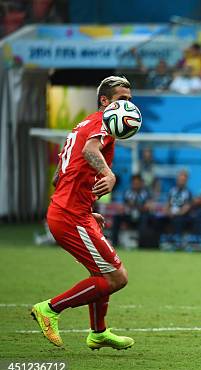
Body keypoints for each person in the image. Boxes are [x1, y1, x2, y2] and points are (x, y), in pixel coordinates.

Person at [31, 76, 134, 349]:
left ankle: (98, 333)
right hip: (70, 216)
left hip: (72, 212)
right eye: (122, 100)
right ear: (105, 101)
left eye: (130, 101)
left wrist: (86, 208)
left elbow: (58, 176)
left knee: (101, 272)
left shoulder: (83, 125)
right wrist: (108, 174)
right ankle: (50, 309)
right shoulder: (102, 124)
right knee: (116, 277)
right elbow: (90, 151)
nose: (128, 106)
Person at [111, 174, 151, 247]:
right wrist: (124, 208)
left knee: (145, 218)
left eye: (137, 183)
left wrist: (136, 206)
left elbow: (147, 206)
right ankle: (114, 243)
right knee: (117, 217)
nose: (135, 185)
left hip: (141, 215)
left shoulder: (145, 193)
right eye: (134, 183)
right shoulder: (127, 192)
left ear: (141, 183)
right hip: (129, 215)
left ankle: (142, 244)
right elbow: (123, 206)